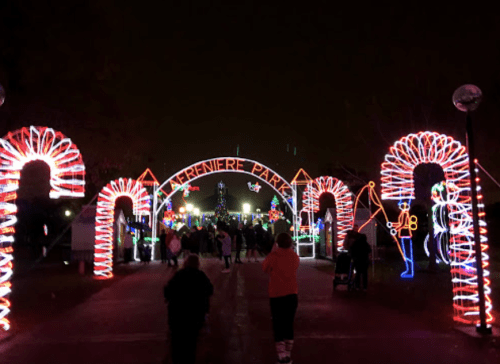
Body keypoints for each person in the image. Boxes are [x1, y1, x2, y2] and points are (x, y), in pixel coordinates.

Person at [164, 254, 214, 364]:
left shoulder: (179, 275)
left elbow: (167, 291)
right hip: (195, 315)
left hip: (177, 315)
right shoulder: (201, 276)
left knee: (176, 342)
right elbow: (210, 290)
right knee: (192, 342)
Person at [263, 233, 300, 364]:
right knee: (289, 324)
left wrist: (273, 252)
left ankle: (281, 355)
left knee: (278, 325)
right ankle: (288, 354)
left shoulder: (274, 256)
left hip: (276, 294)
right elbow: (295, 266)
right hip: (291, 293)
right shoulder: (294, 256)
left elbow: (264, 268)